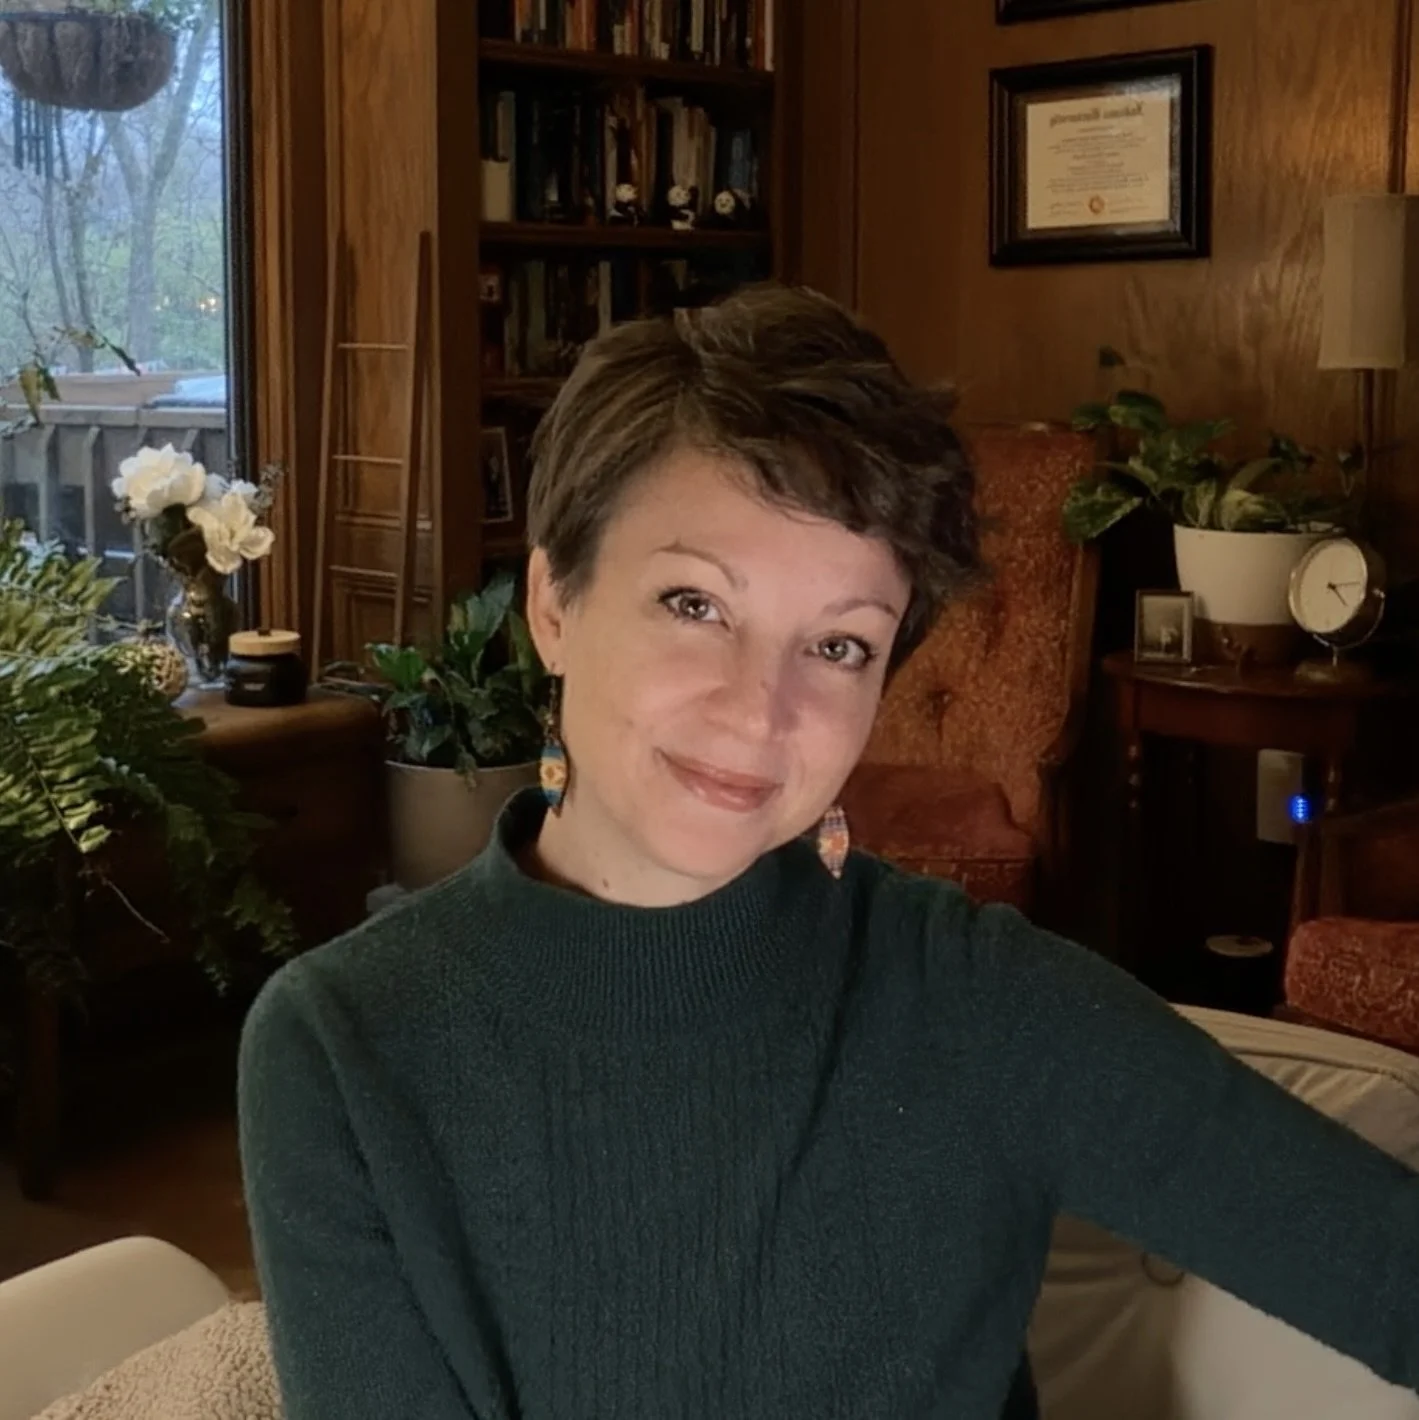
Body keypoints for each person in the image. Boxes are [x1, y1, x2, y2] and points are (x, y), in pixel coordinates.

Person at [238, 284, 1419, 1419]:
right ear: (554, 602)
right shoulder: (345, 1046)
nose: (762, 710)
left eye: (841, 646)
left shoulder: (975, 999)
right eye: (696, 604)